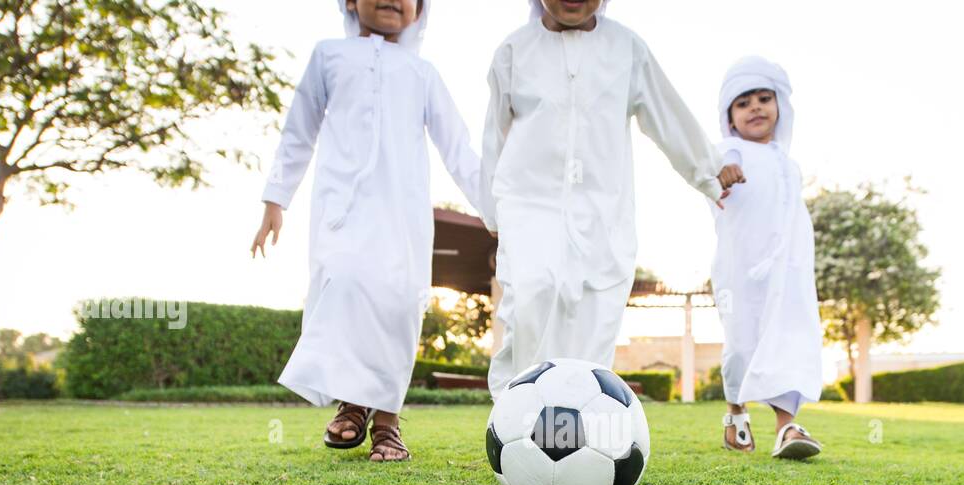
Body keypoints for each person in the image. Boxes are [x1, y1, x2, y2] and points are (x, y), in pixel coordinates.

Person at [251, 0, 479, 461]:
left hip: (403, 214)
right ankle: (352, 403)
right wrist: (276, 197)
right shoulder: (329, 55)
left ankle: (387, 425)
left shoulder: (422, 73)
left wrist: (497, 211)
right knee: (345, 284)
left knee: (397, 305)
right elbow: (299, 130)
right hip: (342, 210)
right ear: (350, 1)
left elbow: (458, 147)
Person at [480, 0, 744, 396]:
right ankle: (518, 410)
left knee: (594, 312)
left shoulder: (627, 48)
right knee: (534, 294)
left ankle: (576, 423)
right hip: (528, 202)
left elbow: (666, 112)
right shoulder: (514, 51)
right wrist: (494, 212)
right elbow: (494, 136)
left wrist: (708, 167)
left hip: (604, 208)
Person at [710, 57, 823, 459]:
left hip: (787, 272)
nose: (755, 108)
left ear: (780, 107)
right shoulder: (728, 149)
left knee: (788, 339)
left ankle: (786, 427)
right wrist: (722, 173)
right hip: (740, 268)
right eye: (743, 103)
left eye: (763, 98)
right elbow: (714, 171)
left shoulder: (788, 163)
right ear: (730, 116)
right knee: (741, 345)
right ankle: (736, 413)